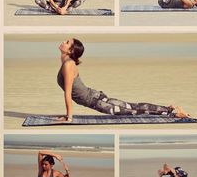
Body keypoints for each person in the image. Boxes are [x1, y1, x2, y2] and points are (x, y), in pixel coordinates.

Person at [56, 38, 190, 121]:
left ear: (70, 51)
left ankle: (172, 112)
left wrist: (69, 117)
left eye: (67, 42)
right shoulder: (67, 63)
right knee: (134, 107)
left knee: (134, 110)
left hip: (97, 102)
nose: (63, 42)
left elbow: (68, 93)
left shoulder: (68, 65)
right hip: (96, 98)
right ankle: (169, 109)